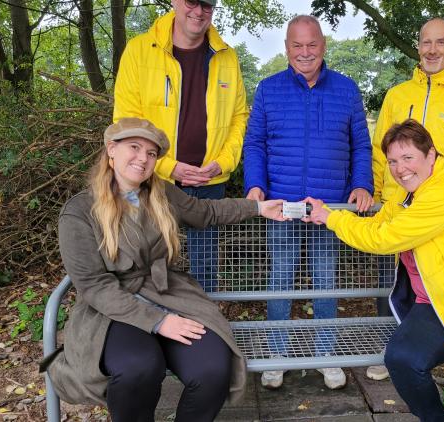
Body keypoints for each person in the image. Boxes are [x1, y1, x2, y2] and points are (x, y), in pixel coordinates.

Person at [43, 118, 284, 422]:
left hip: (168, 294)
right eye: (134, 147)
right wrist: (159, 322)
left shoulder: (163, 194)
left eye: (152, 153)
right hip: (112, 310)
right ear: (111, 150)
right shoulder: (79, 211)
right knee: (139, 368)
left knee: (213, 371)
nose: (143, 158)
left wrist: (259, 208)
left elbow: (206, 212)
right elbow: (94, 286)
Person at [305, 119, 444, 421]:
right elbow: (377, 224)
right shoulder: (405, 193)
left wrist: (331, 219)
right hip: (441, 305)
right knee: (402, 359)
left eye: (408, 158)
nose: (400, 169)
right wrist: (329, 215)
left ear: (431, 155)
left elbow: (384, 238)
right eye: (392, 161)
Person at [242, 15, 374, 390]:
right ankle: (277, 355)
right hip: (281, 207)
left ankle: (327, 355)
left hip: (328, 208)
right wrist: (255, 185)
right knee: (280, 281)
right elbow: (254, 144)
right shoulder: (268, 90)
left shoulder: (347, 90)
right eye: (297, 46)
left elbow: (360, 145)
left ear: (323, 45)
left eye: (311, 44)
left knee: (325, 282)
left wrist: (362, 183)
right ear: (286, 48)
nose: (305, 52)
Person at [366, 17, 444, 381]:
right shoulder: (398, 95)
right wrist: (377, 193)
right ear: (418, 46)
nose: (433, 50)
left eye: (441, 42)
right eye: (427, 42)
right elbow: (380, 151)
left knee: (443, 278)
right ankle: (390, 351)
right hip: (397, 206)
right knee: (391, 281)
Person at [113, 0, 248, 292]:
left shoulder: (228, 56)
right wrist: (168, 166)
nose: (198, 11)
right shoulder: (139, 51)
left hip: (209, 181)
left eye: (207, 5)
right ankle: (154, 326)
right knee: (148, 262)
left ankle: (204, 324)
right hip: (152, 180)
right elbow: (125, 124)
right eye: (191, 2)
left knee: (206, 265)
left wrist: (223, 162)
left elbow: (239, 118)